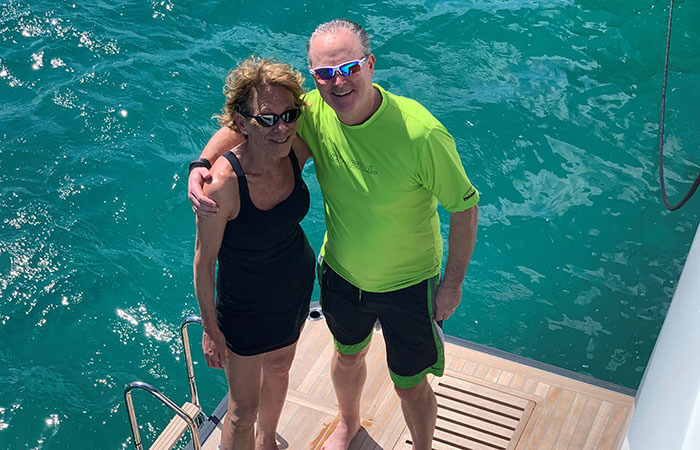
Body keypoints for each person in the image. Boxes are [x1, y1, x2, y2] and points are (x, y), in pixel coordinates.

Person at [189, 20, 479, 450]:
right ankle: (348, 423)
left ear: (371, 65)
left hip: (410, 283)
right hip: (340, 275)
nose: (338, 81)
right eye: (325, 73)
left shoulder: (422, 133)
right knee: (346, 357)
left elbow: (465, 207)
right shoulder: (310, 114)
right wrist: (200, 164)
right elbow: (249, 123)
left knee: (410, 385)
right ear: (314, 79)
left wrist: (452, 284)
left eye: (349, 68)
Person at [192, 56, 315, 450]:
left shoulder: (296, 150)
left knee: (279, 371)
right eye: (267, 118)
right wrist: (211, 329)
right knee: (242, 411)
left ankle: (267, 442)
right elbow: (203, 262)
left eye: (288, 115)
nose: (281, 127)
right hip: (244, 309)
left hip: (294, 287)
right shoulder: (222, 185)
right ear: (242, 123)